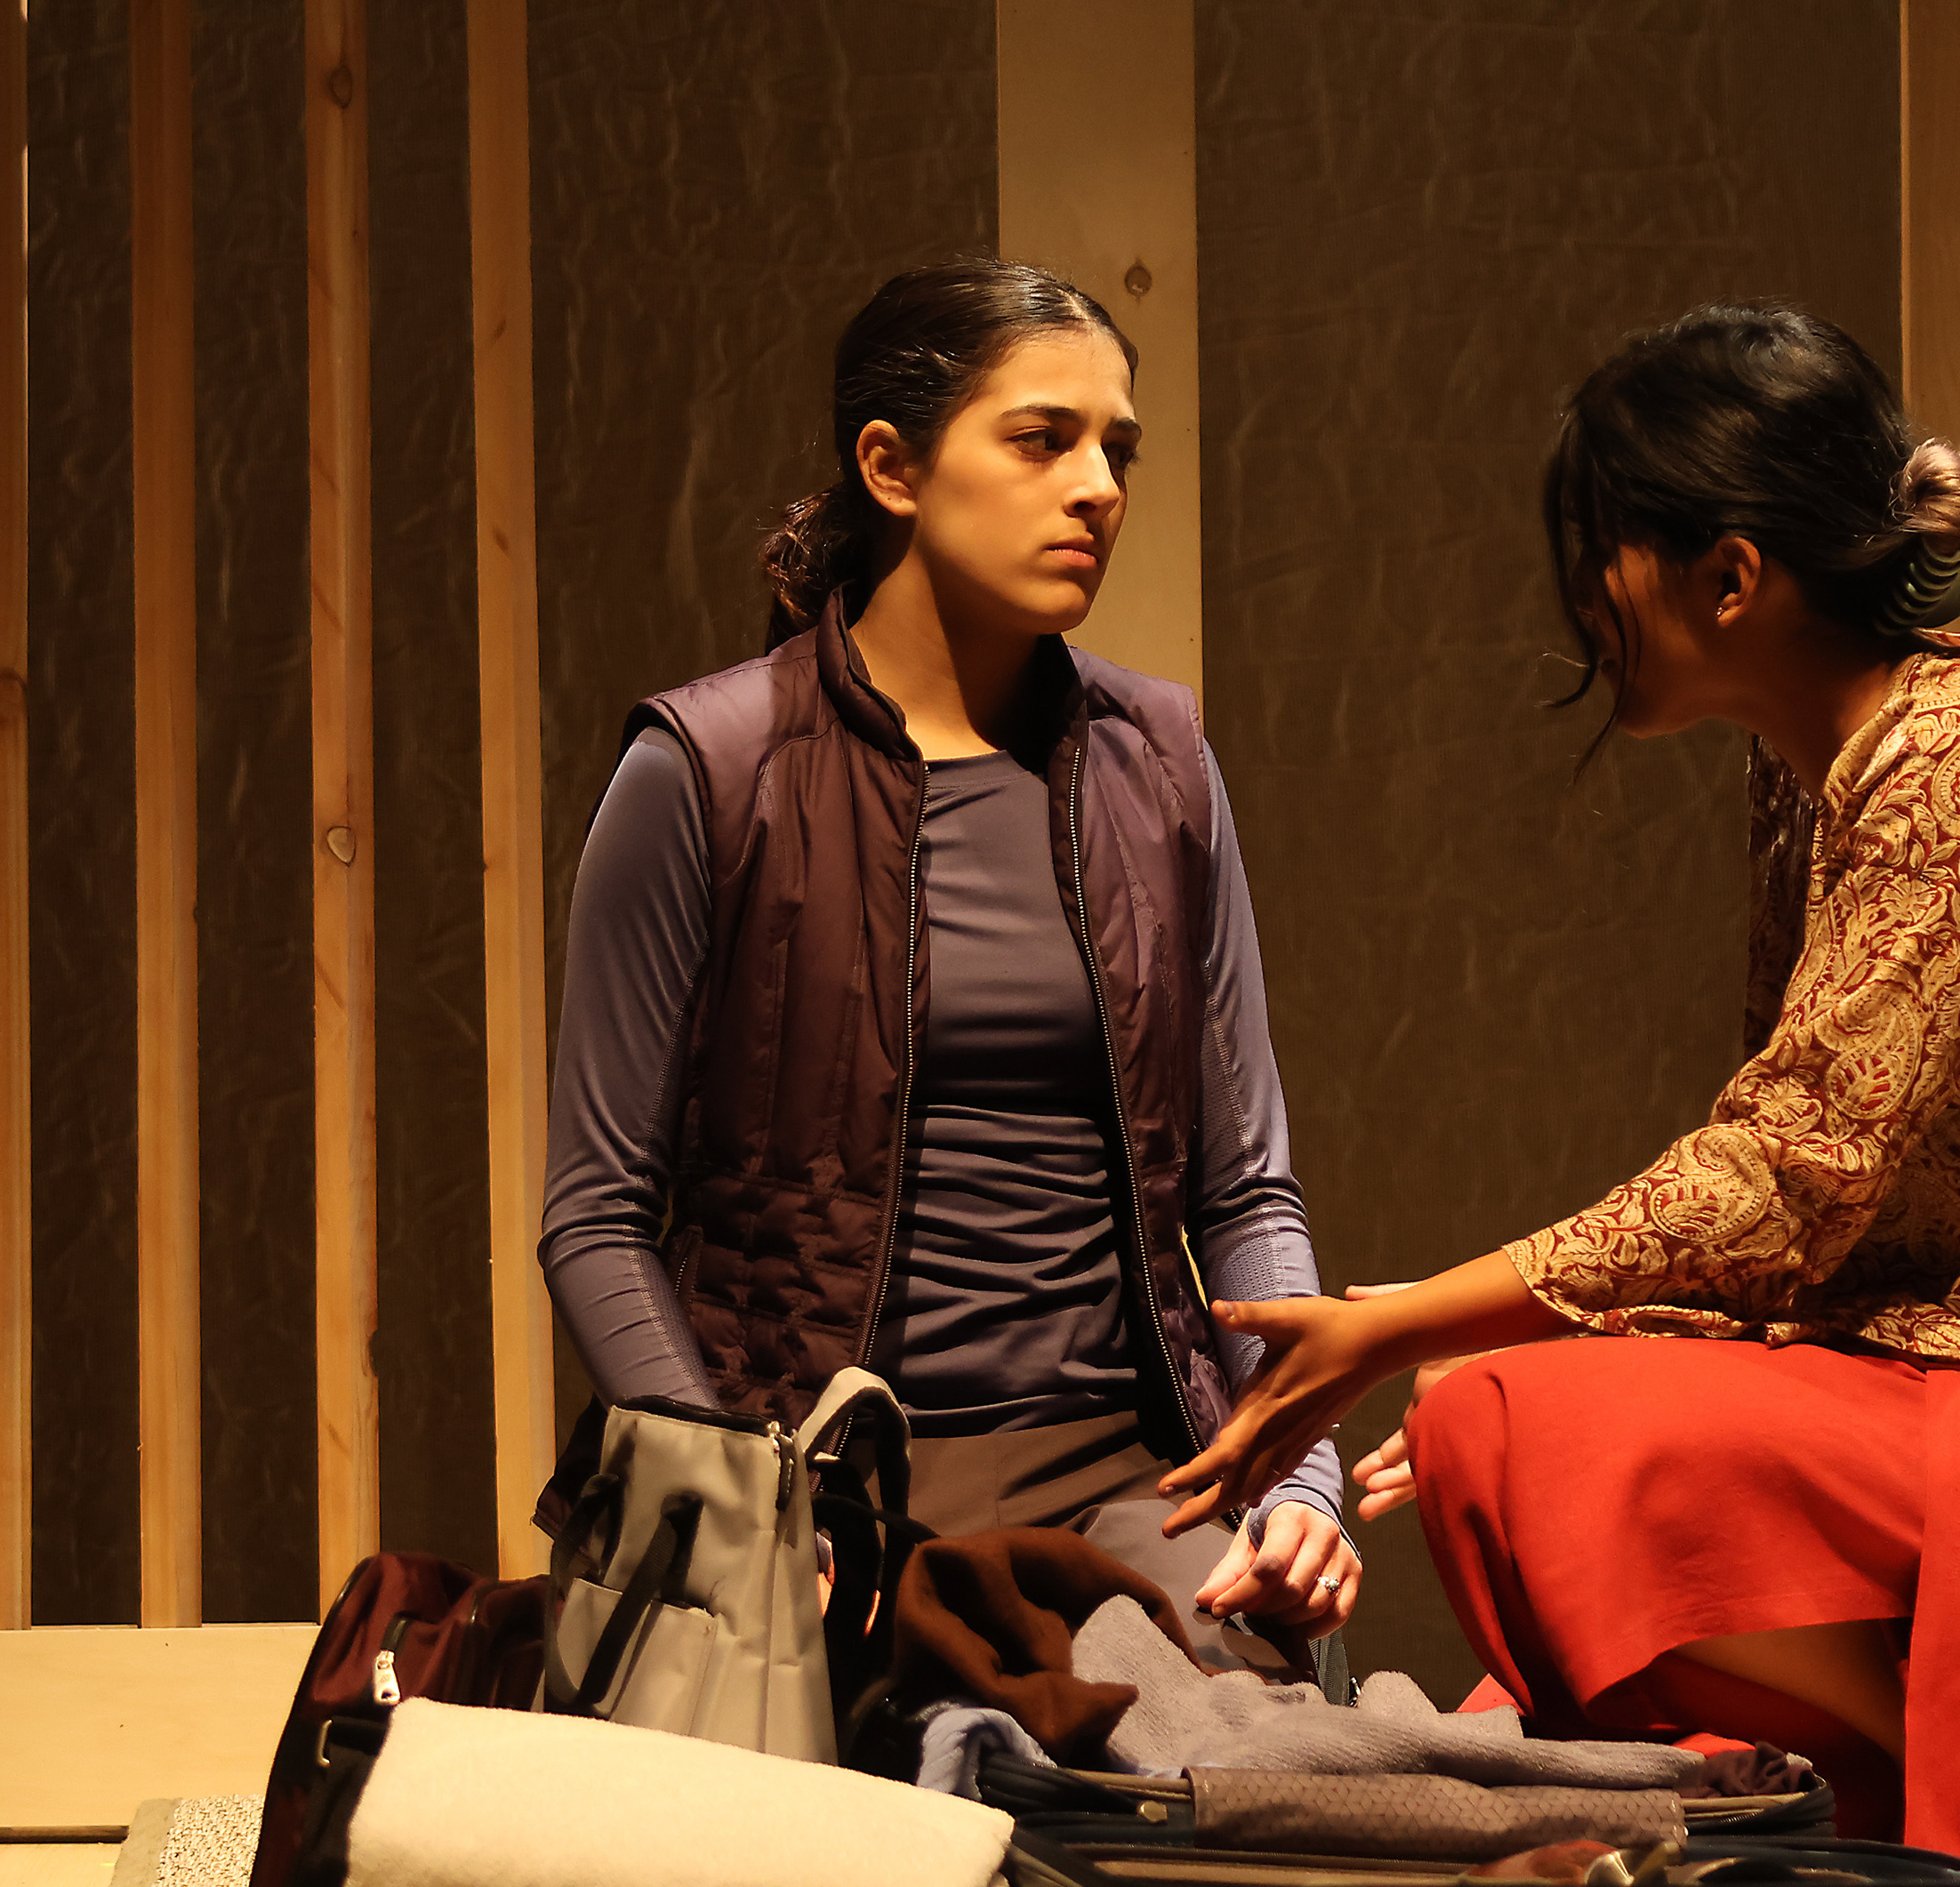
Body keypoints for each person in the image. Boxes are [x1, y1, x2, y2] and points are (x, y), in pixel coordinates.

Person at [1160, 304, 1960, 1887]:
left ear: (1730, 576)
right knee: (1509, 1462)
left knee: (1502, 1417)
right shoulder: (1820, 762)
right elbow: (1796, 1201)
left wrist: (1411, 1326)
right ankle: (1877, 1774)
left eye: (1605, 551)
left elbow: (1782, 1178)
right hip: (1924, 1378)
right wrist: (1507, 1354)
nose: (1583, 596)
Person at [540, 259, 1356, 1671]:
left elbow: (1244, 1191)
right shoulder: (710, 768)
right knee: (856, 1774)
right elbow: (596, 1217)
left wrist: (1296, 1480)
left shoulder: (1161, 764)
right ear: (892, 467)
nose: (1096, 487)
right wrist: (734, 1512)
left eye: (1118, 451)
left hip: (1126, 1467)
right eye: (1043, 440)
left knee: (1236, 1738)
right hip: (805, 1463)